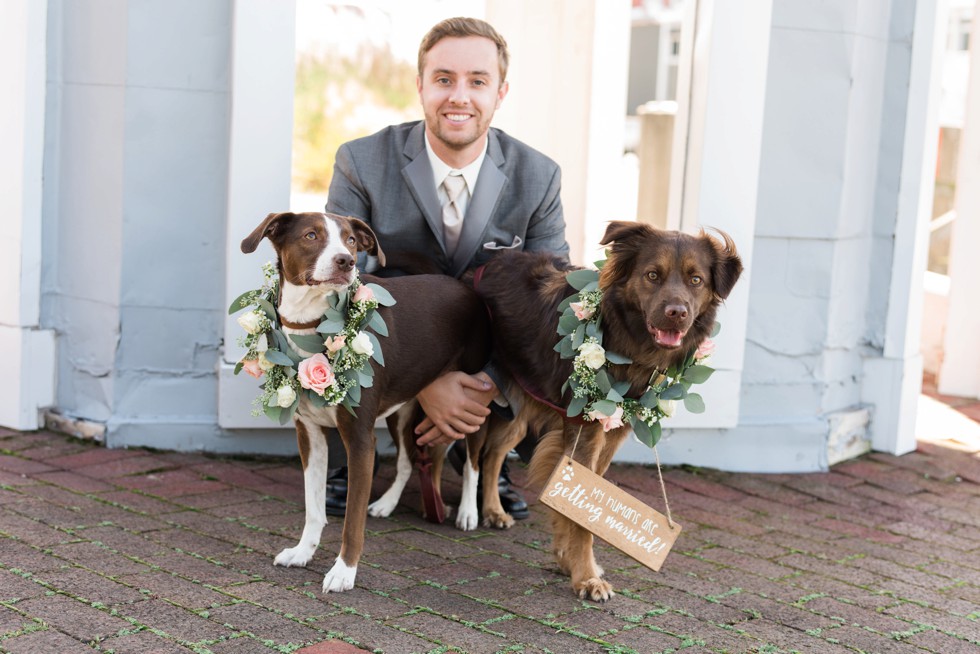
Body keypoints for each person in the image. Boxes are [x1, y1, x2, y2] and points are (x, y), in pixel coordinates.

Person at [322, 16, 569, 518]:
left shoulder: (539, 177)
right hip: (395, 348)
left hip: (490, 353)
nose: (459, 96)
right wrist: (424, 381)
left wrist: (483, 391)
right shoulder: (361, 162)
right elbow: (339, 288)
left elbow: (552, 305)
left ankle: (489, 459)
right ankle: (356, 455)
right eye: (443, 79)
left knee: (566, 346)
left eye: (477, 81)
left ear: (500, 92)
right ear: (420, 86)